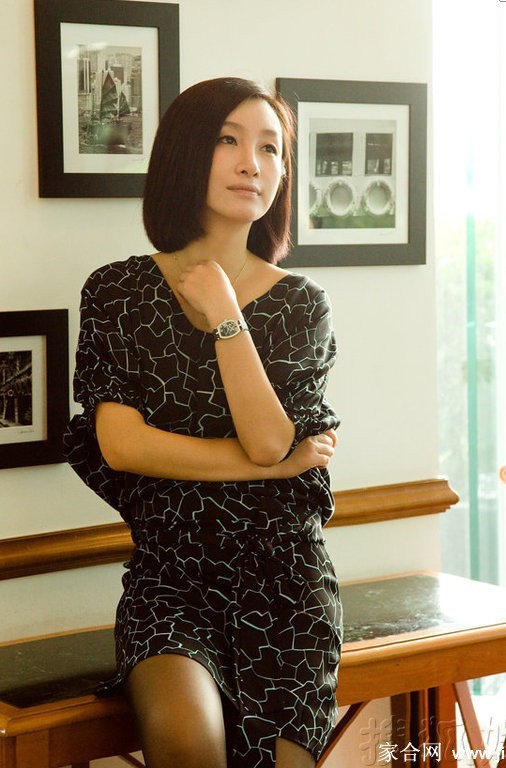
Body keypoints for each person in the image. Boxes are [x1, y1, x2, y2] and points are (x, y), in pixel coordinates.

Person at [64, 77, 342, 768]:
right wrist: (278, 467)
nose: (253, 163)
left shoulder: (301, 304)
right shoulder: (117, 290)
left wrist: (225, 313)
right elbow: (122, 446)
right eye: (228, 140)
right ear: (187, 153)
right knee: (188, 744)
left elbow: (267, 437)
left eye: (270, 149)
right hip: (171, 580)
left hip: (286, 584)